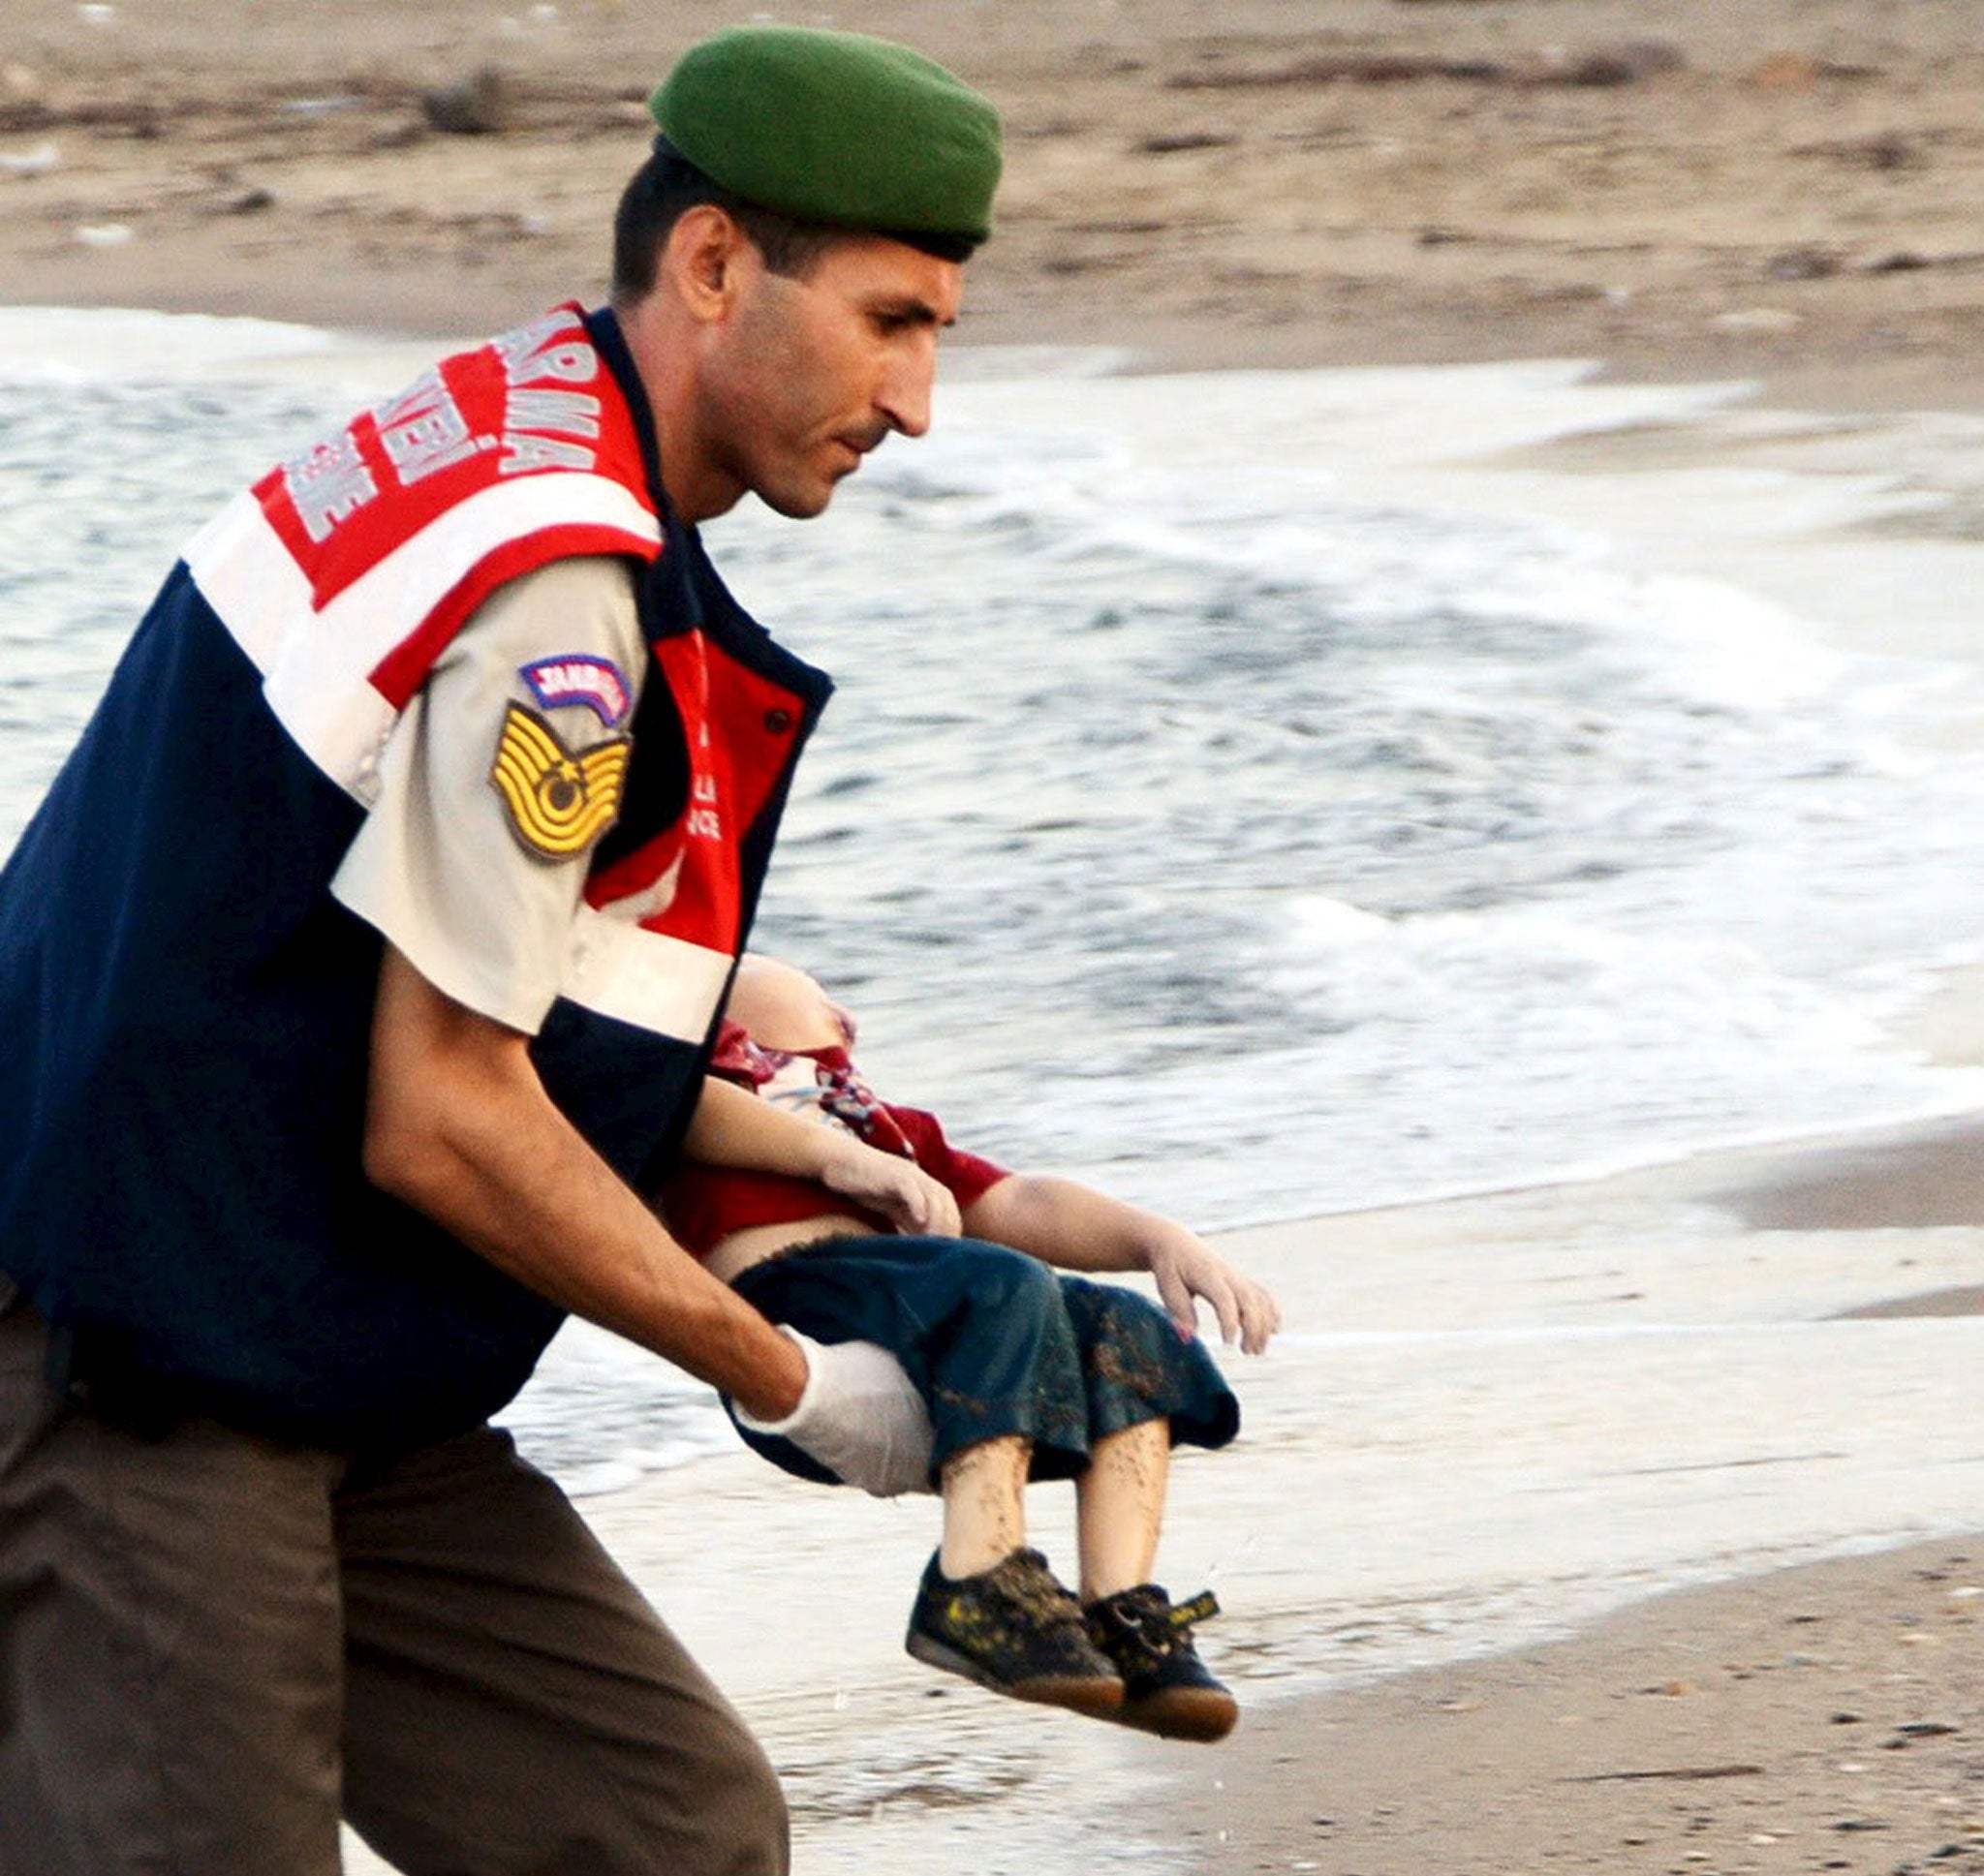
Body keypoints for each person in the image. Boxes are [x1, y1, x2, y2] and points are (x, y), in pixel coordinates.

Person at [0, 26, 1006, 1876]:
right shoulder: (556, 583)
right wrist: (785, 1380)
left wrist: (769, 1109)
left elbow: (458, 976)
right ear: (712, 267)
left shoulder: (532, 428)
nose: (918, 399)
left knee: (663, 1836)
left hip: (310, 1331)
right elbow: (443, 1114)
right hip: (116, 1342)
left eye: (935, 328)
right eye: (887, 320)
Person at [660, 955, 1282, 1743]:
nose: (844, 1018)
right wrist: (832, 1156)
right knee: (1005, 1282)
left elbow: (1019, 1199)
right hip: (793, 1306)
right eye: (822, 995)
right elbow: (677, 1102)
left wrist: (1159, 1238)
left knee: (1127, 1326)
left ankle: (1119, 1608)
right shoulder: (699, 1089)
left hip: (932, 1334)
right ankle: (975, 1573)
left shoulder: (880, 1127)